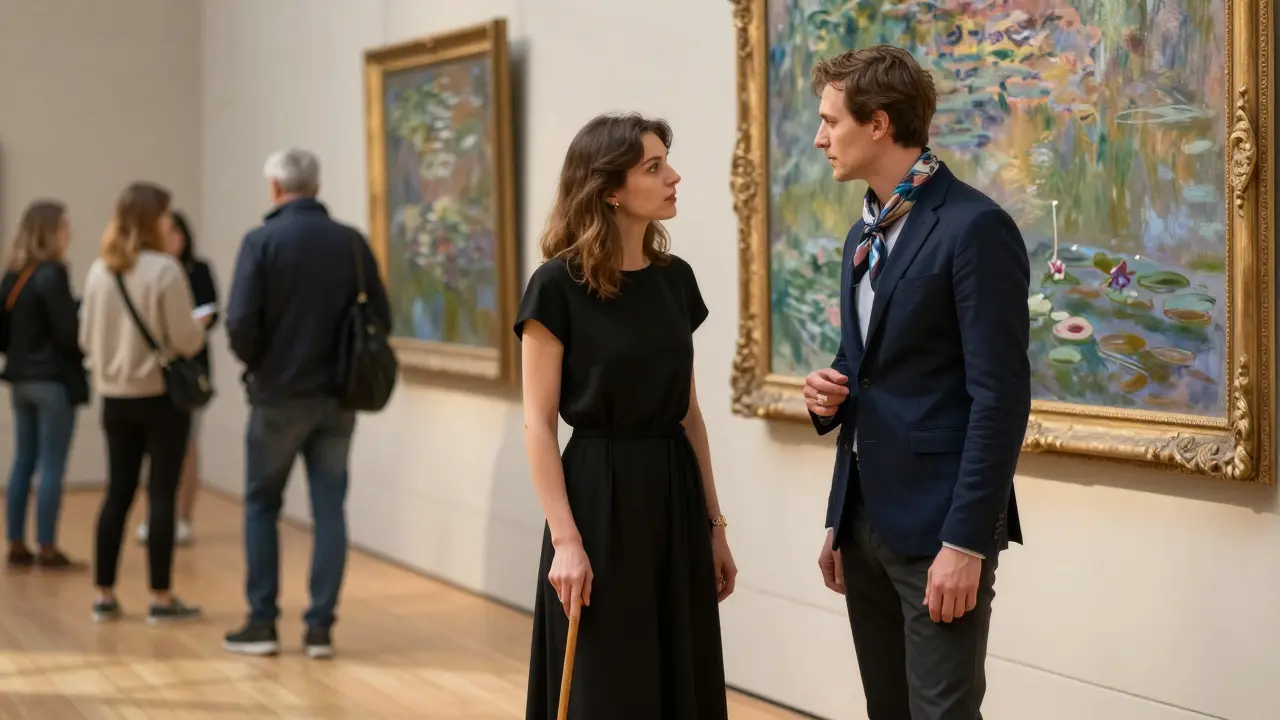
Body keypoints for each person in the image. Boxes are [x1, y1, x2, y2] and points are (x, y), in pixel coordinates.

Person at [803, 46, 1030, 720]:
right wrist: (831, 390)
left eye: (829, 122)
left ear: (877, 124)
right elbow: (872, 366)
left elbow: (1000, 397)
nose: (819, 139)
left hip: (941, 530)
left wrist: (966, 543)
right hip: (865, 519)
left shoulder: (974, 228)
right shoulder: (861, 235)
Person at [516, 112, 736, 720]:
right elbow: (538, 423)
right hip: (596, 499)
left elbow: (690, 414)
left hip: (673, 492)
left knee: (678, 674)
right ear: (609, 188)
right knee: (606, 680)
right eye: (654, 166)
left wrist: (715, 524)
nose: (674, 177)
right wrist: (565, 541)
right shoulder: (556, 286)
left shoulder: (676, 281)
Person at [222, 148, 389, 660]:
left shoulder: (260, 241)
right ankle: (319, 630)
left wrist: (262, 362)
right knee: (329, 509)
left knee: (261, 505)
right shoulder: (352, 244)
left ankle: (263, 623)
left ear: (275, 188)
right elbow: (382, 318)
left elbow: (239, 324)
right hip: (338, 399)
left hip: (276, 397)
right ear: (315, 187)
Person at [80, 182, 207, 624]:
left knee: (116, 493)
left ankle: (104, 594)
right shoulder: (165, 271)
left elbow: (84, 338)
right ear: (154, 220)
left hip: (114, 397)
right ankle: (160, 597)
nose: (171, 223)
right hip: (159, 398)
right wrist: (198, 327)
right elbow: (186, 340)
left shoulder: (100, 270)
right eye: (167, 216)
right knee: (160, 494)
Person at [0, 200, 88, 570]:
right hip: (52, 381)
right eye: (65, 226)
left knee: (23, 460)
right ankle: (48, 546)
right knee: (52, 465)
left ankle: (17, 543)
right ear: (50, 231)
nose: (70, 233)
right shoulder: (52, 274)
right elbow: (68, 333)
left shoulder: (13, 276)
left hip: (20, 380)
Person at [135, 209, 217, 546]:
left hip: (188, 371)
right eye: (169, 232)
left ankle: (183, 517)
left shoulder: (198, 271)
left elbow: (209, 315)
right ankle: (156, 515)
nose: (176, 239)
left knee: (187, 446)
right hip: (154, 371)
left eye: (179, 232)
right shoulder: (149, 272)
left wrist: (187, 329)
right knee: (151, 449)